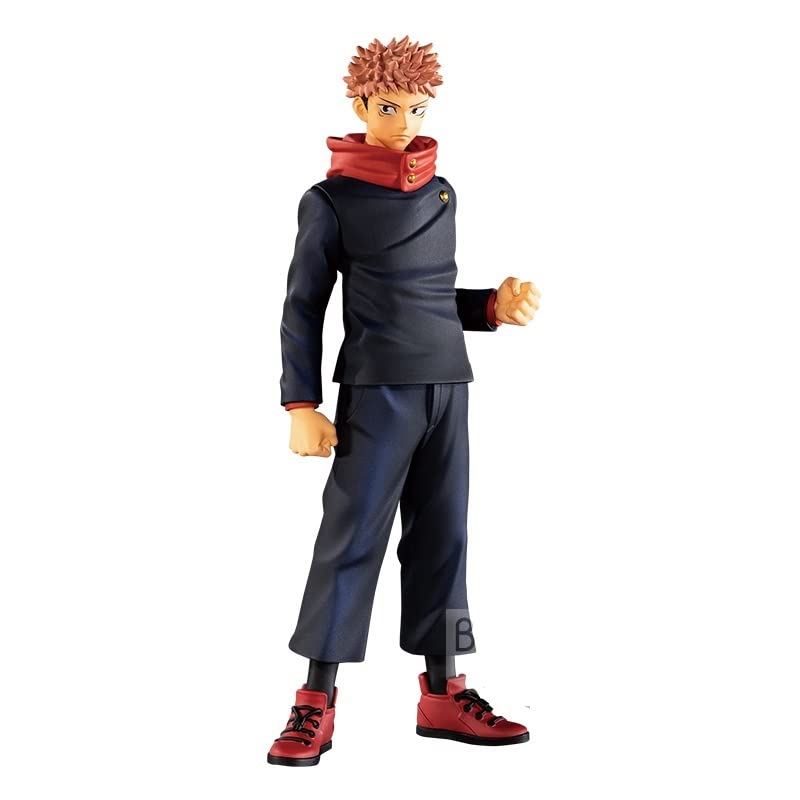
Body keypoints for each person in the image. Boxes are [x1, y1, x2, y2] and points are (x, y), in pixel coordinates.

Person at [269, 35, 541, 767]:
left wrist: (490, 307)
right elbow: (302, 306)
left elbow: (428, 297)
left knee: (445, 540)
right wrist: (301, 404)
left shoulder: (441, 193)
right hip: (377, 392)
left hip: (448, 387)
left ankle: (445, 690)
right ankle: (315, 701)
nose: (406, 123)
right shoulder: (330, 200)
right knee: (351, 539)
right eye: (390, 108)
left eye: (418, 109)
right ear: (360, 105)